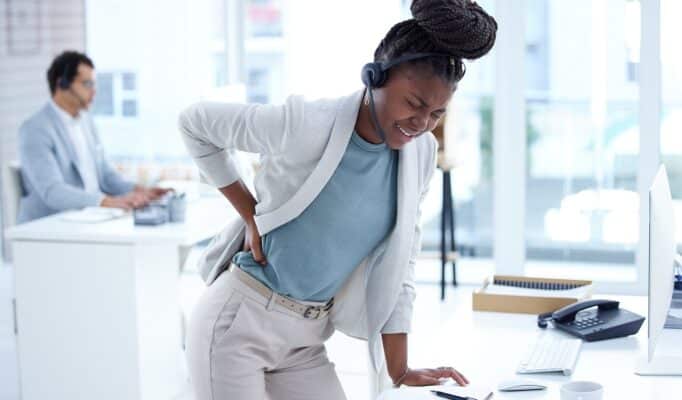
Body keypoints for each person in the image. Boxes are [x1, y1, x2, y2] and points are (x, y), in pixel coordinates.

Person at [179, 0, 497, 398]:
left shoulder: (420, 155)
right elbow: (195, 125)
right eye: (414, 104)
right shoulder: (308, 124)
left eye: (436, 114)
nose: (421, 123)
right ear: (375, 77)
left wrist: (400, 369)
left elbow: (403, 263)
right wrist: (250, 214)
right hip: (238, 324)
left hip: (305, 338)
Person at [17, 50, 169, 223]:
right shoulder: (35, 129)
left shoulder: (85, 122)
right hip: (52, 225)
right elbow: (52, 191)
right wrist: (105, 201)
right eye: (87, 84)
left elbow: (105, 175)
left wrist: (139, 191)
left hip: (90, 218)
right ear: (62, 84)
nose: (94, 92)